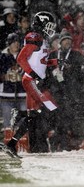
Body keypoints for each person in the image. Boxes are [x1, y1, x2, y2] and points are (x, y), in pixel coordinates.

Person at [3, 11, 58, 156]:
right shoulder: (35, 38)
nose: (51, 28)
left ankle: (13, 142)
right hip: (31, 80)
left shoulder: (42, 40)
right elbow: (21, 58)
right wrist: (33, 74)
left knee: (34, 116)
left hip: (36, 81)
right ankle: (20, 120)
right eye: (48, 25)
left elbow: (42, 62)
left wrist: (56, 62)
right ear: (41, 24)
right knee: (51, 108)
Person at [48, 30, 84, 151]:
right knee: (58, 117)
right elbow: (48, 72)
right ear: (60, 42)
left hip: (71, 92)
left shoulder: (76, 55)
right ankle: (57, 141)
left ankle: (65, 142)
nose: (67, 42)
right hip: (56, 91)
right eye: (65, 40)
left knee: (68, 117)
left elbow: (80, 74)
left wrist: (70, 72)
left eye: (69, 40)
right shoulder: (53, 55)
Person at [0, 33, 26, 131]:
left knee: (22, 124)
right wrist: (5, 77)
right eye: (14, 42)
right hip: (6, 95)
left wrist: (22, 77)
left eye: (18, 42)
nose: (16, 44)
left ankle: (21, 145)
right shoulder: (2, 57)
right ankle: (9, 145)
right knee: (8, 125)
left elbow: (30, 72)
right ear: (9, 43)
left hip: (23, 94)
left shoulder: (24, 56)